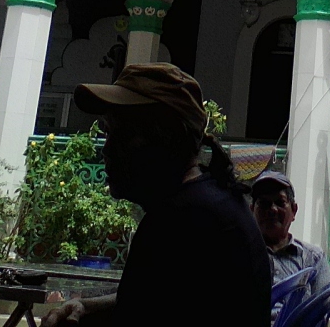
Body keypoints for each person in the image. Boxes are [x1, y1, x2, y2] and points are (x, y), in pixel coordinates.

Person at [41, 63, 270, 327]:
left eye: (123, 134)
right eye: (108, 133)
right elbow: (159, 300)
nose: (107, 149)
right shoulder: (212, 201)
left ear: (168, 138)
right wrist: (87, 306)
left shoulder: (177, 222)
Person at [250, 170, 330, 294]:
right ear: (252, 211)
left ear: (294, 210)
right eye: (264, 203)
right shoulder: (236, 254)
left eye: (280, 202)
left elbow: (325, 303)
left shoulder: (314, 259)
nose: (272, 209)